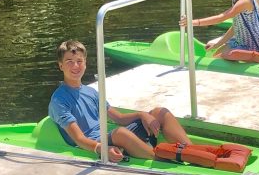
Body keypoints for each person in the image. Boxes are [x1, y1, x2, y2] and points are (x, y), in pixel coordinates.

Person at [50, 39, 192, 162]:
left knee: (159, 112)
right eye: (69, 62)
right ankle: (166, 161)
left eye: (79, 61)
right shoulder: (59, 100)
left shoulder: (91, 92)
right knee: (120, 133)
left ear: (85, 63)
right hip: (94, 142)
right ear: (61, 65)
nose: (75, 66)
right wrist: (102, 149)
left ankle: (194, 152)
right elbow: (79, 139)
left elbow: (119, 118)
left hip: (110, 136)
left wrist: (142, 115)